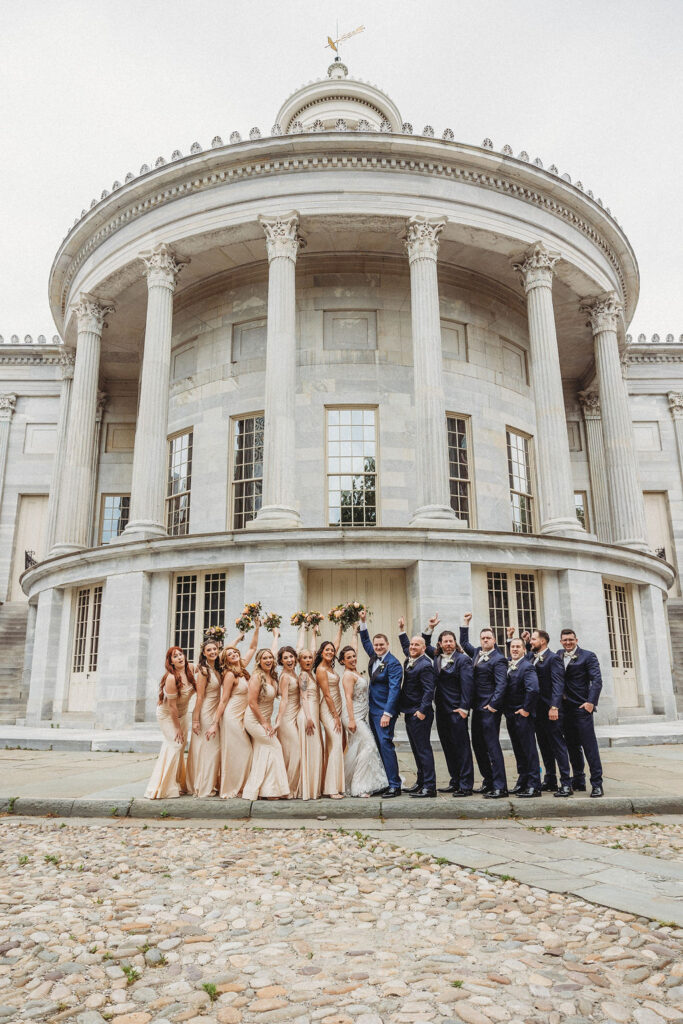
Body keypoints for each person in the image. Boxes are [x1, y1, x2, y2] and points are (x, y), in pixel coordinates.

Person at [423, 613, 474, 797]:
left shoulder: (463, 660)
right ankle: (455, 781)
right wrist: (430, 628)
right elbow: (424, 644)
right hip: (442, 711)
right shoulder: (437, 657)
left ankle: (466, 785)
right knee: (448, 747)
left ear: (455, 643)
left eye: (451, 641)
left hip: (457, 710)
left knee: (462, 748)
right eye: (445, 641)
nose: (448, 644)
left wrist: (464, 708)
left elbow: (467, 687)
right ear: (440, 644)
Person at [518, 628, 573, 797]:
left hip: (551, 710)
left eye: (534, 639)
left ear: (543, 641)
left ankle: (566, 783)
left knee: (558, 746)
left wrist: (555, 707)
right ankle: (550, 779)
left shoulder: (553, 658)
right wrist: (525, 641)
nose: (531, 642)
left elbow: (558, 684)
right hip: (537, 712)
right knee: (544, 746)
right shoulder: (531, 657)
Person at [460, 613, 509, 798]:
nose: (485, 640)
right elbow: (464, 644)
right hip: (477, 708)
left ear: (494, 640)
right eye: (482, 638)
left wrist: (493, 705)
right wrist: (465, 624)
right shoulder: (477, 654)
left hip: (489, 709)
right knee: (478, 746)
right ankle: (488, 781)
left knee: (492, 747)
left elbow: (501, 684)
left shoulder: (499, 659)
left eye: (488, 638)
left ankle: (500, 786)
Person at [339, 626, 389, 797]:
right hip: (352, 716)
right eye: (348, 658)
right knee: (368, 745)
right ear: (343, 661)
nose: (353, 659)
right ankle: (358, 787)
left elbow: (354, 648)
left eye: (354, 656)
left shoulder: (354, 670)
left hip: (361, 715)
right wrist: (352, 720)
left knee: (360, 748)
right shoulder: (347, 675)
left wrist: (355, 633)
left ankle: (361, 781)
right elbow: (347, 698)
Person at [358, 608, 402, 797]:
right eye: (376, 645)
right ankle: (384, 781)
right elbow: (366, 642)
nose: (378, 647)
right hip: (373, 710)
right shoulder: (374, 657)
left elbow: (394, 690)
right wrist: (363, 622)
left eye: (381, 644)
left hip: (384, 712)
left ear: (388, 644)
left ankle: (395, 784)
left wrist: (387, 713)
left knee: (386, 744)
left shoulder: (393, 663)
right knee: (378, 745)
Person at [557, 629, 604, 797]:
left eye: (571, 639)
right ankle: (579, 780)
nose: (568, 642)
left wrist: (590, 703)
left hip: (582, 708)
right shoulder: (559, 655)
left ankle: (597, 784)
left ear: (576, 639)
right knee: (572, 746)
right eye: (565, 640)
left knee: (589, 747)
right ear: (561, 641)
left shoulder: (588, 656)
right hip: (565, 709)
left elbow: (597, 680)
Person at [145, 647, 195, 799]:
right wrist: (177, 728)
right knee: (175, 744)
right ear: (171, 662)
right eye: (175, 656)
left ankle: (179, 783)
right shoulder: (171, 678)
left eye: (181, 654)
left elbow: (211, 664)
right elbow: (172, 707)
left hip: (183, 713)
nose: (180, 657)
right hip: (168, 715)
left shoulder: (191, 668)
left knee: (180, 748)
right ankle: (163, 786)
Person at [242, 648, 290, 800]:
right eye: (264, 658)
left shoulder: (274, 677)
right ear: (259, 661)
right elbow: (251, 703)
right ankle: (270, 790)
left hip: (266, 720)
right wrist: (264, 723)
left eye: (270, 657)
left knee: (264, 751)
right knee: (275, 746)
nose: (268, 660)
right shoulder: (256, 677)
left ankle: (263, 790)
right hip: (254, 720)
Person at [398, 619, 436, 798]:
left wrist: (421, 711)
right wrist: (402, 630)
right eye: (412, 644)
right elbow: (406, 646)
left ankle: (430, 786)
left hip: (420, 714)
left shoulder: (426, 665)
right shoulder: (411, 659)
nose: (412, 647)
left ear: (424, 648)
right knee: (416, 749)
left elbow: (429, 691)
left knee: (423, 749)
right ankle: (421, 782)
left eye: (416, 645)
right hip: (409, 711)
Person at [210, 645, 252, 799]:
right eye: (229, 654)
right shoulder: (229, 675)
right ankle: (234, 787)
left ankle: (244, 785)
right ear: (225, 659)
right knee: (242, 751)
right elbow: (223, 700)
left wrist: (255, 628)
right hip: (232, 716)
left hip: (243, 715)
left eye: (235, 652)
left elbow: (252, 648)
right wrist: (215, 723)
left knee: (244, 752)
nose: (233, 654)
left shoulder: (243, 672)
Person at [504, 637, 541, 797]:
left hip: (523, 715)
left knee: (529, 750)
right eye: (513, 646)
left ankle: (534, 785)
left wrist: (526, 709)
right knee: (518, 750)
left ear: (524, 650)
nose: (515, 649)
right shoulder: (508, 665)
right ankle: (523, 780)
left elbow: (533, 690)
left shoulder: (527, 667)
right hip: (511, 714)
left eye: (518, 646)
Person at [185, 637, 222, 797]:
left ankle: (210, 781)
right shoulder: (203, 670)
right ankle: (203, 785)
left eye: (215, 649)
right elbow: (199, 697)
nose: (213, 652)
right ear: (204, 653)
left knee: (212, 749)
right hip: (206, 711)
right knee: (209, 749)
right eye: (209, 650)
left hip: (216, 710)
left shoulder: (217, 668)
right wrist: (195, 720)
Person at [314, 625, 345, 799]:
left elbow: (336, 645)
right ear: (321, 652)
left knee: (336, 745)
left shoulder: (331, 666)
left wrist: (341, 627)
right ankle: (331, 788)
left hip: (337, 707)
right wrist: (335, 716)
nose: (331, 652)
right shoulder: (321, 669)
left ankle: (334, 784)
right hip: (327, 709)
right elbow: (326, 695)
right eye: (327, 650)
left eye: (332, 650)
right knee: (335, 743)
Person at [296, 626, 324, 800]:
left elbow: (313, 650)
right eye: (304, 658)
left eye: (310, 658)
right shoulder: (304, 677)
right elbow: (303, 698)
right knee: (311, 751)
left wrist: (313, 633)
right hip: (307, 716)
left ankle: (314, 788)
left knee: (315, 751)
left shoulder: (311, 673)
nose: (308, 659)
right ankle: (309, 790)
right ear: (299, 661)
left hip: (313, 714)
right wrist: (308, 717)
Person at [275, 638, 302, 798]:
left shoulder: (294, 672)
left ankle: (290, 786)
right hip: (287, 718)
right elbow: (284, 699)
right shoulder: (285, 676)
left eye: (291, 657)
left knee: (291, 753)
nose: (289, 660)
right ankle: (288, 789)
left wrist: (305, 628)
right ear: (281, 661)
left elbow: (298, 646)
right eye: (285, 658)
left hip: (296, 715)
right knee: (294, 752)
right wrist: (278, 720)